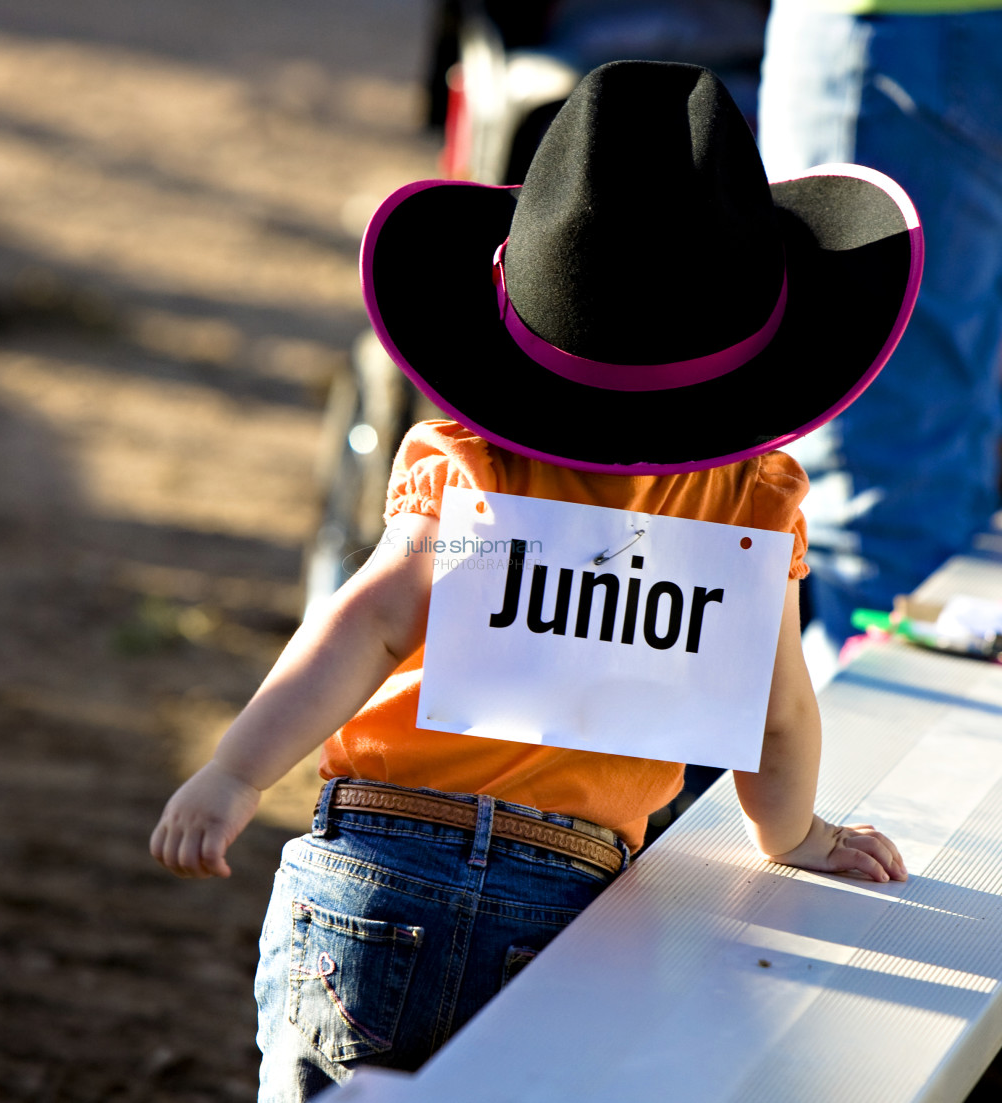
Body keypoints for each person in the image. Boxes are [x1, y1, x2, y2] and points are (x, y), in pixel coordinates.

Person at [150, 61, 914, 1101]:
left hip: (375, 863)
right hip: (569, 900)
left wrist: (237, 772)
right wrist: (797, 833)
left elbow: (364, 626)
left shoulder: (469, 470)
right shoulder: (753, 506)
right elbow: (776, 717)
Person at [758, 0, 1002, 654]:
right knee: (947, 446)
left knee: (871, 499)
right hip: (944, 38)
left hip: (896, 30)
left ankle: (864, 749)